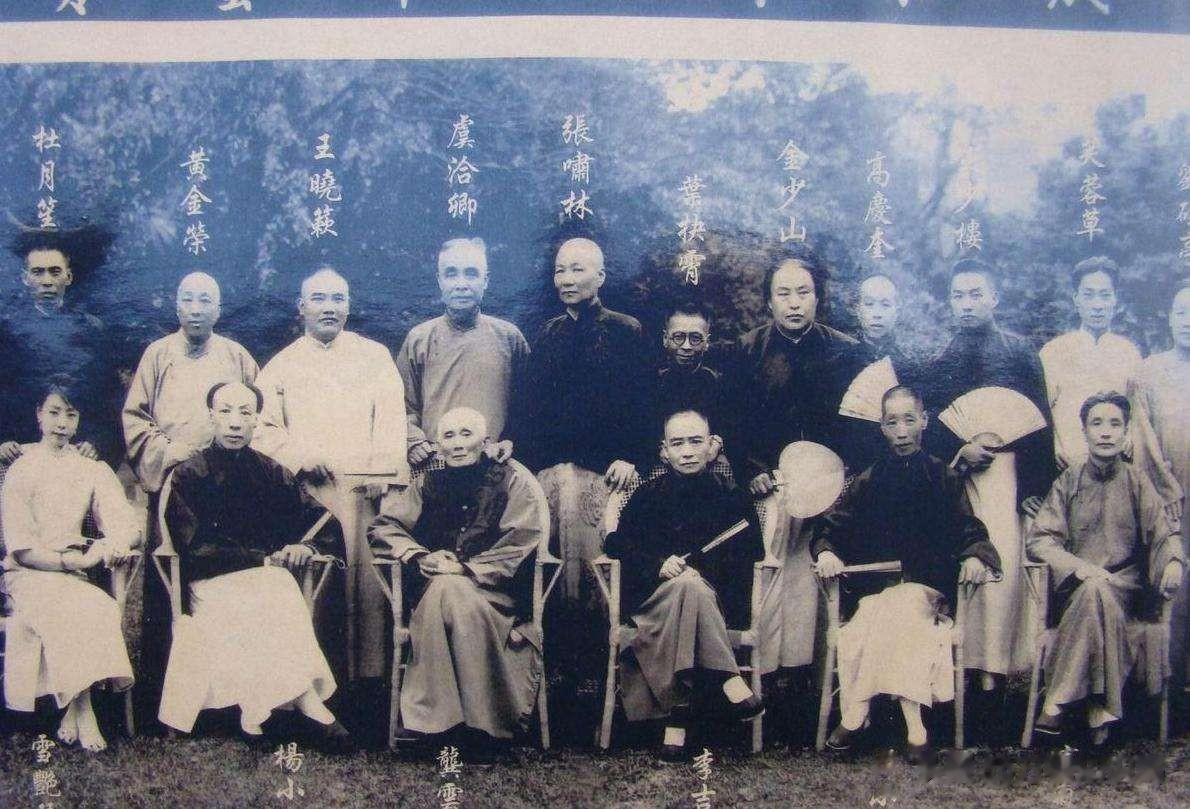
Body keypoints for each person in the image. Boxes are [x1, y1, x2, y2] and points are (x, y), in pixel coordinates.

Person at [158, 381, 349, 749]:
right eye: (226, 411)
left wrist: (305, 546)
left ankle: (255, 715)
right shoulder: (189, 474)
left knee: (273, 587)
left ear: (256, 420)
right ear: (211, 416)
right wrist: (259, 559)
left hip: (264, 581)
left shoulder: (271, 471)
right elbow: (193, 546)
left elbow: (323, 521)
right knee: (274, 587)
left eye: (245, 413)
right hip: (209, 583)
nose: (235, 422)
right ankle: (309, 706)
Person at [811, 386, 999, 757]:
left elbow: (971, 531)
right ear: (881, 427)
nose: (901, 431)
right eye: (892, 422)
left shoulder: (943, 477)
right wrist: (827, 551)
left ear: (924, 421)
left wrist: (976, 557)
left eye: (909, 420)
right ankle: (916, 728)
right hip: (876, 592)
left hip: (927, 593)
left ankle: (855, 713)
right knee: (884, 609)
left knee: (899, 606)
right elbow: (830, 529)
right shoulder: (868, 480)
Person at [515, 236, 652, 714]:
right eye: (560, 270)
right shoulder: (547, 335)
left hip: (607, 476)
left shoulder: (627, 331)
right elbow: (529, 413)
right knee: (553, 572)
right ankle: (554, 678)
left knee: (600, 573)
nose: (567, 279)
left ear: (601, 277)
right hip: (553, 478)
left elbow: (644, 406)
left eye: (577, 270)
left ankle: (604, 678)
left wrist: (630, 456)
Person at [254, 267, 408, 687]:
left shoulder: (374, 356)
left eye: (338, 299)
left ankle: (370, 683)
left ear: (349, 306)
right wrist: (298, 456)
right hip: (312, 496)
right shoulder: (282, 365)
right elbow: (262, 429)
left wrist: (382, 471)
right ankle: (313, 682)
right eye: (319, 299)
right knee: (314, 583)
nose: (329, 308)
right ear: (301, 307)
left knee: (368, 585)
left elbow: (392, 421)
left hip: (364, 495)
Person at [121, 272, 259, 731]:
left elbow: (257, 416)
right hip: (172, 480)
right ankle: (164, 697)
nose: (196, 309)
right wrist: (169, 451)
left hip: (226, 486)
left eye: (206, 301)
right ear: (177, 306)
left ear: (219, 310)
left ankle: (232, 698)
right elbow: (135, 419)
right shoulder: (157, 354)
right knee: (171, 582)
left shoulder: (237, 356)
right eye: (188, 300)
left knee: (226, 577)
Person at [368, 407, 544, 752]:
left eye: (466, 434)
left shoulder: (511, 481)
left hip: (494, 595)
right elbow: (385, 526)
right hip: (437, 589)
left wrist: (466, 569)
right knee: (446, 588)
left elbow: (520, 541)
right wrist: (420, 556)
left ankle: (437, 725)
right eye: (448, 436)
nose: (458, 444)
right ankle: (479, 728)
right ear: (438, 444)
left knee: (449, 587)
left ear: (485, 441)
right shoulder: (427, 484)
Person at [727, 248, 863, 678]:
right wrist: (753, 471)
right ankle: (768, 672)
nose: (794, 303)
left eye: (803, 292)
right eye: (783, 293)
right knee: (774, 570)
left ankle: (820, 674)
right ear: (769, 301)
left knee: (823, 568)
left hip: (833, 482)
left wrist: (843, 475)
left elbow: (858, 425)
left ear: (818, 297)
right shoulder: (748, 350)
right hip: (774, 483)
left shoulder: (847, 353)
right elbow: (735, 425)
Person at [925, 258, 1055, 697]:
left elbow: (1040, 426)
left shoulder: (1020, 354)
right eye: (958, 295)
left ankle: (994, 672)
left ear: (994, 297)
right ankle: (959, 667)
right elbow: (935, 426)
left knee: (1003, 571)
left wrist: (1033, 488)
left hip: (1008, 478)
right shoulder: (941, 359)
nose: (966, 303)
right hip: (960, 479)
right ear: (950, 301)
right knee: (963, 563)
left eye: (975, 294)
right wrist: (960, 450)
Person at [604, 410, 764, 759]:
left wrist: (701, 572)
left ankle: (676, 723)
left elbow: (752, 554)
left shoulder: (733, 497)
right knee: (686, 586)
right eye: (677, 444)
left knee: (692, 586)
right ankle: (728, 678)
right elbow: (614, 544)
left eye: (696, 441)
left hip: (713, 606)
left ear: (713, 446)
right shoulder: (647, 496)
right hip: (654, 606)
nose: (688, 451)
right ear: (664, 451)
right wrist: (658, 564)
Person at [1026, 391, 1184, 746]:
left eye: (1115, 424)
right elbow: (1040, 540)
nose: (1106, 432)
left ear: (1126, 432)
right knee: (1093, 589)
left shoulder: (1138, 480)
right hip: (1078, 589)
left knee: (1100, 589)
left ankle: (1056, 701)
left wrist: (1173, 560)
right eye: (1097, 423)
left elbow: (1163, 534)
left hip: (1126, 587)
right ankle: (1100, 710)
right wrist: (1078, 567)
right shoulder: (1068, 481)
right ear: (1084, 431)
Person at [1, 382, 139, 752]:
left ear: (78, 422)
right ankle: (85, 710)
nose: (62, 423)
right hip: (29, 574)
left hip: (72, 574)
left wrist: (114, 544)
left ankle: (71, 711)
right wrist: (67, 561)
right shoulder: (21, 469)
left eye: (71, 415)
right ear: (38, 416)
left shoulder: (90, 469)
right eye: (54, 413)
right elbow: (21, 549)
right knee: (69, 607)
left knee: (98, 605)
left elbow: (126, 523)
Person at [396, 237, 528, 469]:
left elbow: (528, 407)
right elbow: (402, 407)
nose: (461, 284)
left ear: (486, 280)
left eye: (471, 273)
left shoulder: (510, 338)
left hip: (495, 466)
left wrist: (512, 439)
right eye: (451, 274)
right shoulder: (419, 339)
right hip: (435, 466)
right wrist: (414, 442)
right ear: (439, 280)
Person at [0, 236, 124, 464]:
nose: (47, 281)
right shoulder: (6, 332)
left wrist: (98, 443)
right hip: (19, 451)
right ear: (25, 278)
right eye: (38, 272)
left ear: (68, 277)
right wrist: (2, 441)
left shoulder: (92, 330)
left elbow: (109, 399)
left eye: (55, 272)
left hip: (78, 450)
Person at [1039, 257, 1143, 470]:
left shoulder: (1129, 353)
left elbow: (1138, 410)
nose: (1097, 305)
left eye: (1105, 295)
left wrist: (1131, 436)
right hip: (1066, 463)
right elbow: (1041, 410)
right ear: (1076, 299)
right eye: (1089, 295)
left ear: (1115, 299)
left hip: (1117, 464)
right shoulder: (1053, 351)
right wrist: (1053, 443)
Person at [845, 273, 921, 471]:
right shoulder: (839, 365)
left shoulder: (911, 369)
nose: (877, 313)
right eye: (869, 304)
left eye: (885, 305)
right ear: (858, 309)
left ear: (897, 311)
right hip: (854, 468)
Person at [650, 302, 726, 446]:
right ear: (665, 339)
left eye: (695, 338)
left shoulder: (719, 386)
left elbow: (729, 433)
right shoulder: (650, 384)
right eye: (678, 337)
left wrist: (717, 445)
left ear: (707, 342)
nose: (686, 346)